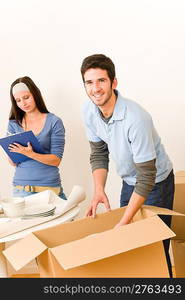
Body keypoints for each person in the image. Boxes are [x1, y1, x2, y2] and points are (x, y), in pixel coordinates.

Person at [80, 54, 174, 277]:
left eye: (101, 81)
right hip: (130, 181)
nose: (95, 88)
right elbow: (99, 153)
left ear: (114, 82)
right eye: (89, 82)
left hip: (156, 183)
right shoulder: (89, 111)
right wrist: (99, 190)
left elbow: (147, 176)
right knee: (129, 250)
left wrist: (125, 220)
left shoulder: (136, 118)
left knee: (154, 251)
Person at [7, 76, 67, 200]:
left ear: (35, 94)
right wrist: (12, 154)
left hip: (50, 190)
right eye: (18, 100)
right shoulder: (13, 124)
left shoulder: (54, 122)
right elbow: (13, 162)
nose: (23, 103)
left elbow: (56, 160)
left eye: (26, 97)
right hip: (21, 191)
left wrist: (31, 153)